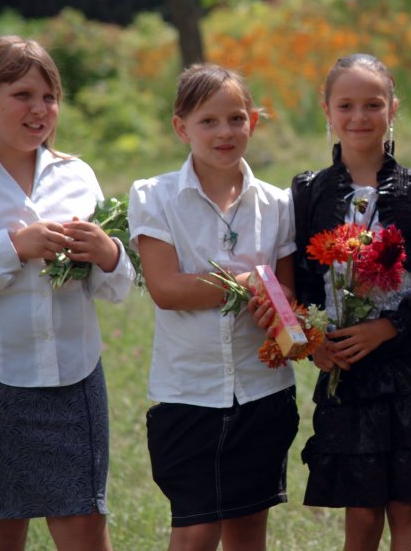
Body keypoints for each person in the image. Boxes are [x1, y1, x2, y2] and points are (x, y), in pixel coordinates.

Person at [0, 36, 137, 550]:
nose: (40, 109)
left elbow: (115, 285)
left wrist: (108, 254)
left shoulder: (76, 174)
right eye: (23, 95)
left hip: (75, 375)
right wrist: (12, 248)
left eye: (50, 97)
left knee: (86, 524)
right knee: (0, 528)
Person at [291, 53, 411, 551]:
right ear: (327, 110)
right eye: (346, 105)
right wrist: (315, 342)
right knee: (362, 512)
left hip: (407, 371)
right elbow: (299, 282)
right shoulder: (308, 192)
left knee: (407, 508)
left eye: (373, 104)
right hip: (347, 372)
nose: (360, 116)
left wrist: (389, 326)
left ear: (393, 108)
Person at [128, 64, 298, 551]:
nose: (225, 132)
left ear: (253, 122)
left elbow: (286, 295)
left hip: (263, 392)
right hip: (188, 392)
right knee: (196, 530)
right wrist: (245, 284)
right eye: (208, 121)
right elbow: (167, 288)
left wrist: (281, 309)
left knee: (248, 530)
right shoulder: (155, 196)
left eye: (236, 118)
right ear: (181, 127)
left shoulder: (278, 204)